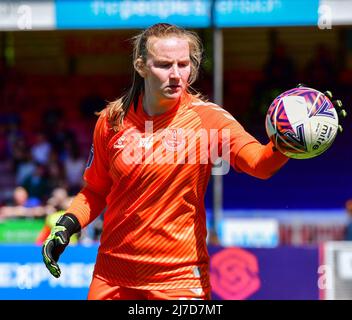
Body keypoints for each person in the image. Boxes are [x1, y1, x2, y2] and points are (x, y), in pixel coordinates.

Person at [41, 23, 346, 300]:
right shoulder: (111, 121)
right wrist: (66, 227)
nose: (176, 74)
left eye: (183, 64)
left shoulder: (208, 119)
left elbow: (259, 164)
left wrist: (287, 141)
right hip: (112, 276)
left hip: (179, 279)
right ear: (141, 66)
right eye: (164, 65)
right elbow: (95, 190)